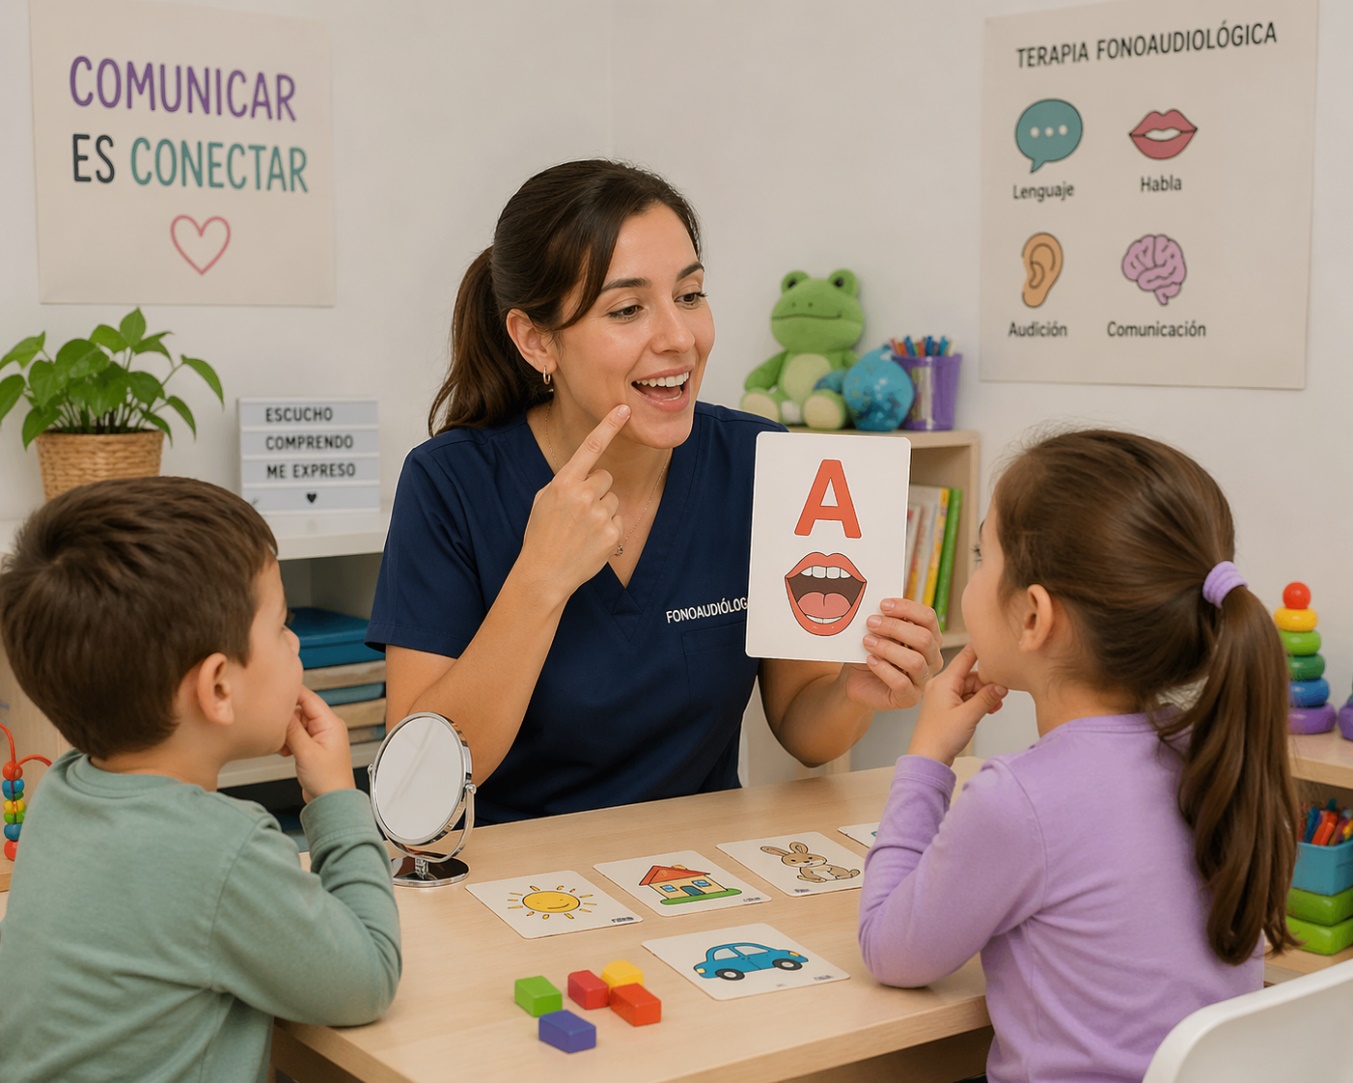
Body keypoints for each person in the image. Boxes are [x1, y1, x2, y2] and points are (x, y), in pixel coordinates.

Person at [367, 158, 942, 824]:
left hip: (696, 879)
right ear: (535, 340)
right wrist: (539, 581)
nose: (678, 338)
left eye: (690, 295)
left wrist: (853, 689)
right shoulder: (450, 483)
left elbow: (801, 724)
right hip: (513, 886)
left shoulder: (761, 462)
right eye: (627, 308)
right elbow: (417, 786)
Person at [858, 428, 1297, 1083]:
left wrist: (926, 756)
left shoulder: (1017, 801)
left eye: (982, 556)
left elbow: (889, 949)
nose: (971, 579)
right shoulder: (1211, 753)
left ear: (1033, 617)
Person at [0, 477, 402, 1083]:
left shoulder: (63, 787)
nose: (295, 643)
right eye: (282, 625)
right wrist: (339, 796)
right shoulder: (222, 851)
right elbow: (369, 977)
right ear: (218, 687)